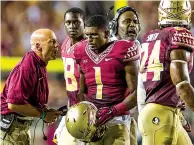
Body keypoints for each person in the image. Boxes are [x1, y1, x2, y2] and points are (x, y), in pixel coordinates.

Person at [69, 15, 139, 145]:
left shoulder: (123, 49)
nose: (89, 40)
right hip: (94, 123)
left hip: (118, 121)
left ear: (106, 33)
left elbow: (136, 94)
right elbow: (82, 91)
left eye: (94, 35)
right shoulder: (80, 50)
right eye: (87, 35)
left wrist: (113, 111)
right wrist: (86, 118)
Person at [137, 0, 194, 145]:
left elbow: (142, 84)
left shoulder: (149, 37)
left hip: (160, 112)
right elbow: (181, 84)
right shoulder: (179, 35)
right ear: (188, 15)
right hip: (161, 113)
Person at [0, 28, 62, 145]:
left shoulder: (39, 64)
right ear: (38, 46)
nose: (57, 45)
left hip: (19, 127)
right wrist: (43, 114)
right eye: (52, 42)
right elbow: (13, 104)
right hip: (10, 129)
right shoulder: (27, 67)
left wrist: (45, 110)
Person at [109, 6, 142, 145]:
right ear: (115, 27)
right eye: (127, 21)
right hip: (110, 118)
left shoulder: (137, 46)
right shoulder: (107, 48)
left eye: (135, 22)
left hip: (129, 115)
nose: (132, 25)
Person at [53, 7, 86, 145]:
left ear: (84, 23)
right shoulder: (65, 44)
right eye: (68, 23)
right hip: (73, 109)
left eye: (76, 22)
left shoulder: (90, 45)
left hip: (89, 109)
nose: (72, 26)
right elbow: (71, 85)